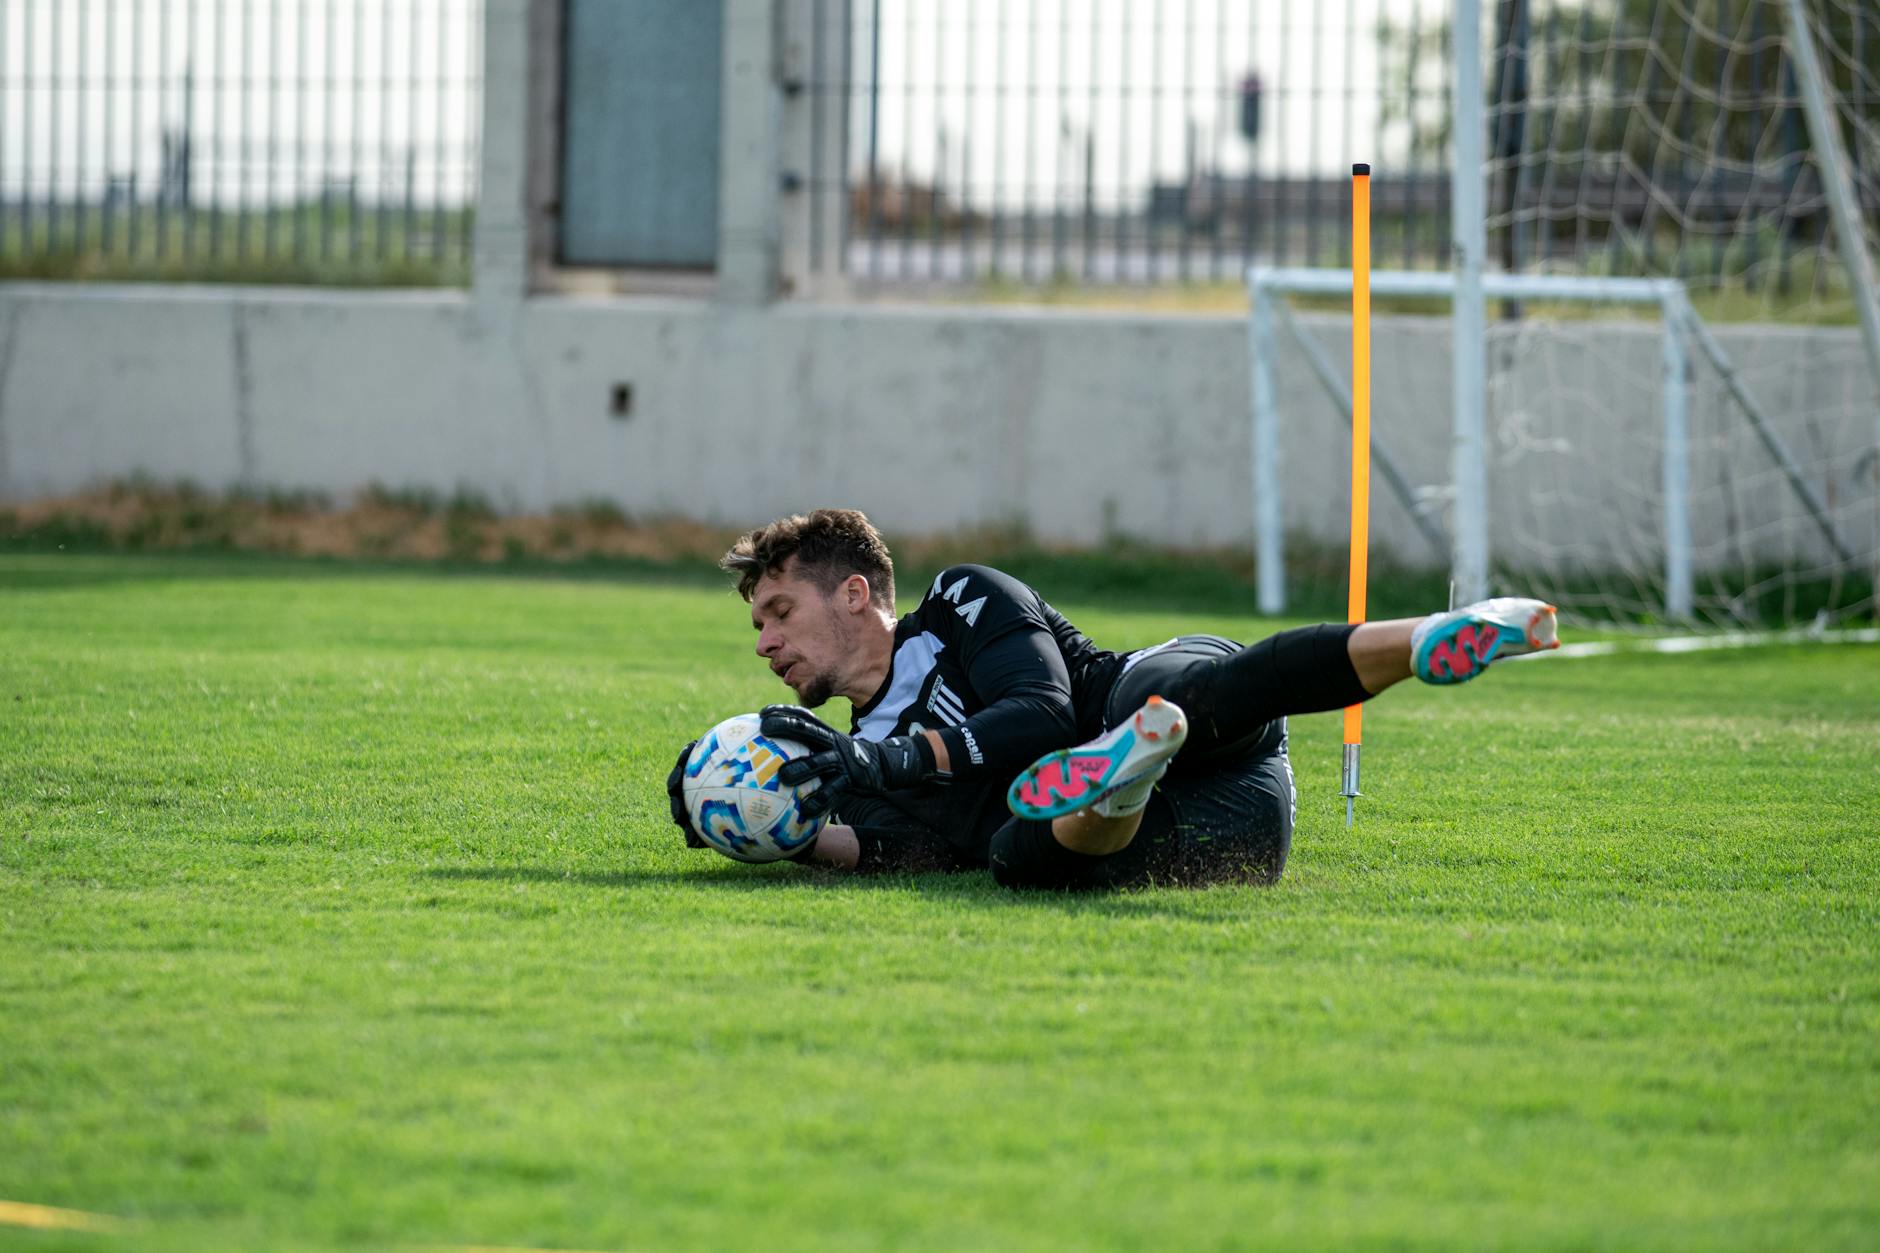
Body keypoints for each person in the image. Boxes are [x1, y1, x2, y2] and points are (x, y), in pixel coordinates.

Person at [666, 509, 1557, 890]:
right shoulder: (853, 765)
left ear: (856, 594)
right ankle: (1115, 788)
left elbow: (1043, 711)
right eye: (758, 626)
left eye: (779, 611)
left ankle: (1434, 636)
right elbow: (907, 852)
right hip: (1212, 842)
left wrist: (885, 755)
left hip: (1210, 741)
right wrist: (748, 818)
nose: (764, 643)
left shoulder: (959, 600)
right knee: (1012, 856)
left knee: (1163, 696)